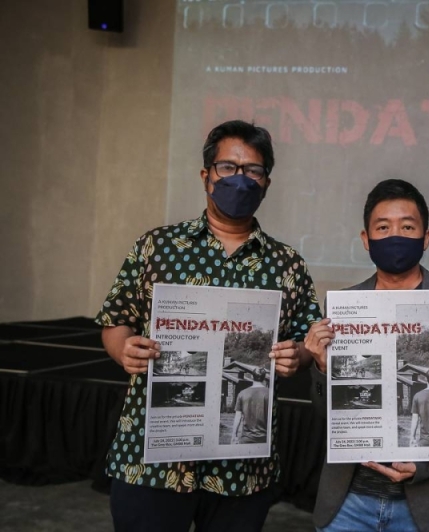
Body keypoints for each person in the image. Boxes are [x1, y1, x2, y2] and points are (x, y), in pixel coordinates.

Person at [96, 120, 321, 531]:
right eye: (228, 168)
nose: (241, 179)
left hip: (241, 466)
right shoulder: (157, 246)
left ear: (266, 182)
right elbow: (116, 321)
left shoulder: (287, 264)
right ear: (206, 175)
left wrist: (299, 355)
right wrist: (123, 348)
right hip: (151, 458)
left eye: (253, 171)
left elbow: (308, 341)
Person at [304, 179, 429, 532]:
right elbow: (324, 414)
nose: (395, 236)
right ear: (366, 239)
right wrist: (322, 369)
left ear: (426, 237)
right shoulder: (342, 308)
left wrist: (426, 465)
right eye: (383, 227)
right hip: (347, 504)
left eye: (407, 227)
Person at [232, 368, 270, 444]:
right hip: (265, 438)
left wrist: (234, 435)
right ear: (264, 378)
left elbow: (238, 416)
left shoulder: (242, 393)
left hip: (246, 438)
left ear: (252, 377)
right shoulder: (269, 393)